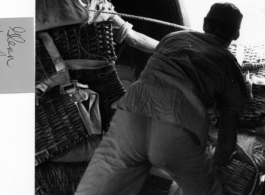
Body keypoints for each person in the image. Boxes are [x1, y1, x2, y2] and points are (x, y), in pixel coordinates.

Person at [74, 2, 248, 195]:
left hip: (131, 116)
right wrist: (217, 161)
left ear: (206, 24)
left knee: (97, 189)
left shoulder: (173, 38)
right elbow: (226, 139)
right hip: (176, 130)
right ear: (236, 35)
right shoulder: (231, 67)